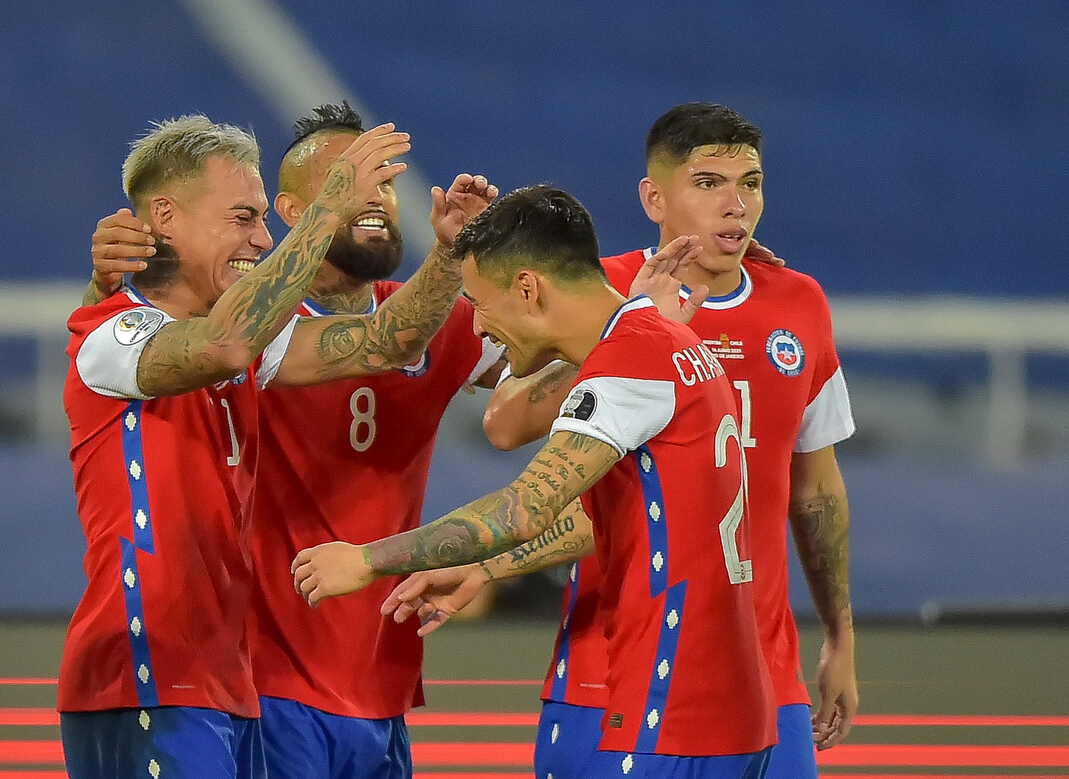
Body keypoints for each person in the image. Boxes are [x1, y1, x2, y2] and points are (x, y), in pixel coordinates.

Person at [387, 102, 859, 778]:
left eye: (750, 183)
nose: (736, 204)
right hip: (616, 664)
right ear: (654, 197)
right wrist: (628, 330)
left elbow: (814, 488)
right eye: (708, 184)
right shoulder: (596, 288)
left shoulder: (799, 304)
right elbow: (505, 422)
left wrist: (840, 636)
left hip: (762, 670)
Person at [292, 185, 778, 779]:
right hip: (731, 710)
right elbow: (608, 518)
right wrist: (486, 567)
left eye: (479, 303)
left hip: (670, 703)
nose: (481, 327)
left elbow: (524, 507)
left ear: (528, 288)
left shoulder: (630, 361)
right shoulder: (671, 342)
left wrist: (368, 560)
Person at [82, 101, 503, 779]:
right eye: (243, 219)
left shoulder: (260, 344)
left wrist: (451, 253)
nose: (258, 239)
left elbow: (384, 341)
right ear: (166, 218)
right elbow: (220, 342)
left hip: (228, 681)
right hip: (147, 668)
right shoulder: (107, 336)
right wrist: (326, 214)